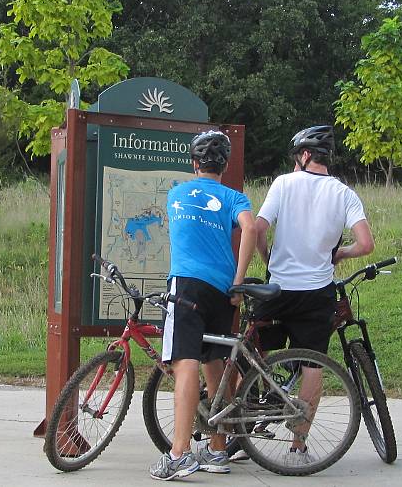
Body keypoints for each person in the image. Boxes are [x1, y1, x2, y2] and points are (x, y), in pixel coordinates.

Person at [253, 125, 374, 465]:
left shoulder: (283, 183)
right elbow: (365, 244)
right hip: (316, 292)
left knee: (251, 345)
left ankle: (246, 415)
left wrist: (268, 258)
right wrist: (340, 254)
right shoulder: (344, 193)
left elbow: (260, 229)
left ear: (304, 156)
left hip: (278, 288)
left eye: (296, 158)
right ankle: (297, 447)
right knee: (312, 365)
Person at [149, 130, 257, 480]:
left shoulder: (177, 193)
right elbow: (250, 229)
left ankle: (179, 453)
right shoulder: (234, 197)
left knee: (186, 364)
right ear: (224, 166)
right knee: (216, 366)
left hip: (187, 285)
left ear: (194, 163)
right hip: (223, 288)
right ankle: (217, 448)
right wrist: (239, 281)